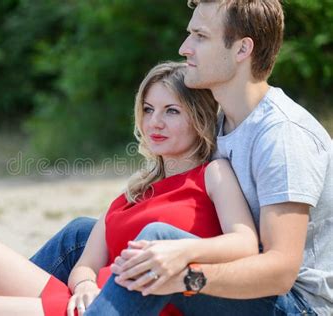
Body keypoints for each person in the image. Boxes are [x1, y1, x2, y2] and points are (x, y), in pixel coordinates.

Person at [0, 62, 260, 316]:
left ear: (199, 116)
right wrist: (86, 283)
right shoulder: (134, 191)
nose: (155, 121)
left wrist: (183, 250)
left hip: (138, 307)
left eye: (171, 111)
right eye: (148, 109)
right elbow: (86, 264)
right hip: (88, 301)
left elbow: (245, 243)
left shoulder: (213, 174)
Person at [38, 1, 332, 315]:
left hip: (297, 306)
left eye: (200, 36)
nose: (184, 48)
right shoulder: (223, 123)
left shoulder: (281, 135)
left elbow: (280, 272)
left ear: (242, 49)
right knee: (82, 234)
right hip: (241, 278)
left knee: (157, 239)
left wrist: (184, 276)